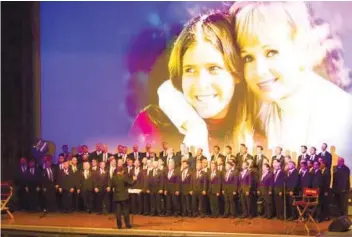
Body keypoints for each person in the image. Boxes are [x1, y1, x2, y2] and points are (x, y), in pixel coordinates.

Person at [230, 1, 352, 162]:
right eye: (248, 57)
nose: (259, 70)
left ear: (302, 46)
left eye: (271, 52)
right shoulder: (256, 103)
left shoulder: (340, 118)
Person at [129, 11, 251, 158]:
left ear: (236, 72)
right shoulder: (151, 127)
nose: (201, 83)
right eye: (190, 70)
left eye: (213, 68)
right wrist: (195, 130)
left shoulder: (261, 127)